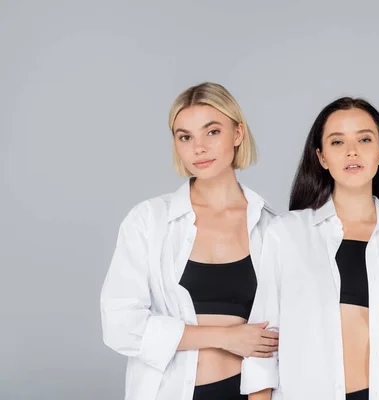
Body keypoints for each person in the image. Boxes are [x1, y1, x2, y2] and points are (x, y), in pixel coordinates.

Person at [241, 97, 379, 399]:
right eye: (337, 142)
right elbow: (263, 344)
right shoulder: (286, 234)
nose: (352, 151)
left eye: (364, 139)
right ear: (322, 157)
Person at [100, 82, 278, 400]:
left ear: (238, 134)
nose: (198, 147)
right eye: (185, 136)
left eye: (212, 132)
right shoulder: (149, 221)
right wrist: (225, 337)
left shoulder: (271, 229)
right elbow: (120, 325)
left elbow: (276, 337)